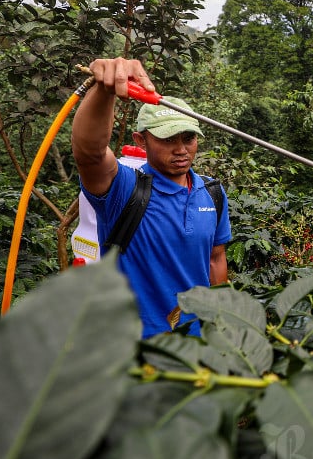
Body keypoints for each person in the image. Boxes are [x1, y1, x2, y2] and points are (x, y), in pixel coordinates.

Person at [71, 57, 231, 337]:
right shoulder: (124, 189)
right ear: (141, 140)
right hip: (134, 345)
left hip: (197, 344)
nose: (181, 149)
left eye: (188, 138)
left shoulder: (212, 192)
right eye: (168, 139)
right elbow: (90, 153)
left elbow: (215, 260)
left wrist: (222, 324)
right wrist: (103, 92)